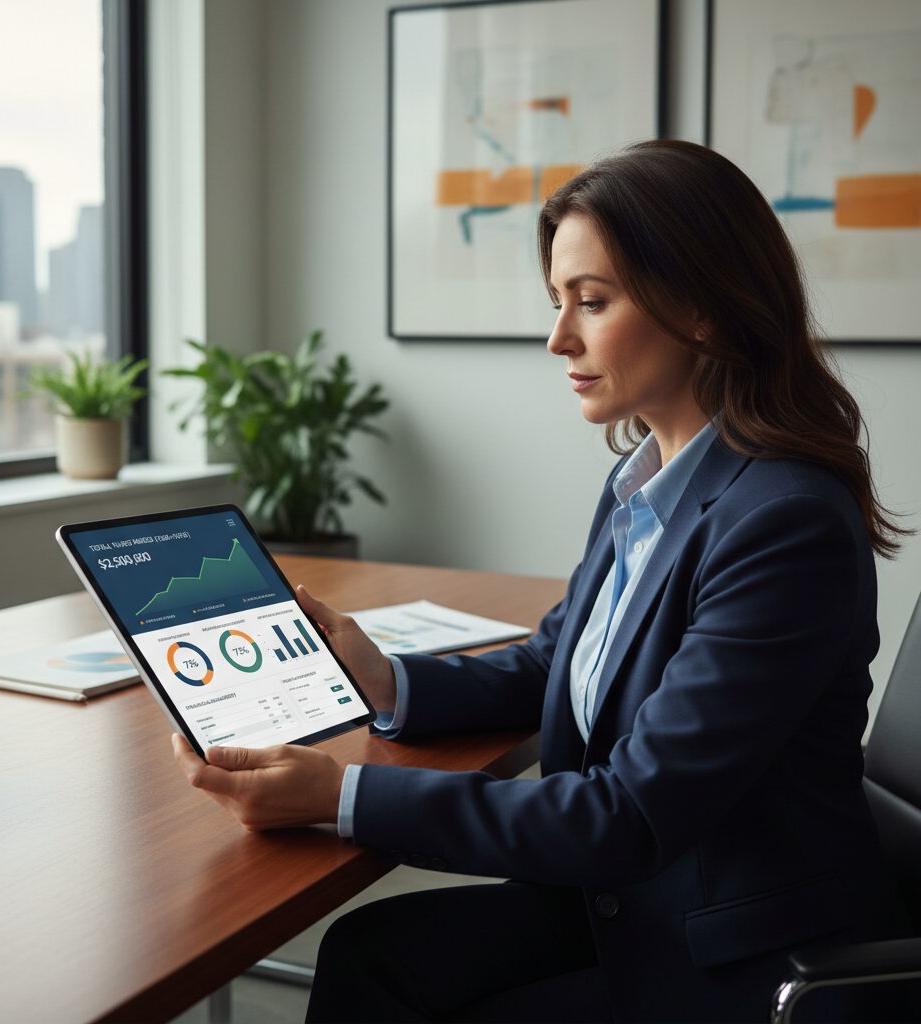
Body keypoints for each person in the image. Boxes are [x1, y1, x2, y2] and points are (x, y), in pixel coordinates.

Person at [172, 140, 914, 1022]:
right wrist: (386, 680)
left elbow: (628, 815)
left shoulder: (783, 524)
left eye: (591, 302)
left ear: (704, 309)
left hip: (729, 952)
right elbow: (553, 663)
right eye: (558, 301)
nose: (559, 337)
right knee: (369, 955)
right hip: (637, 895)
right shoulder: (646, 482)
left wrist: (341, 796)